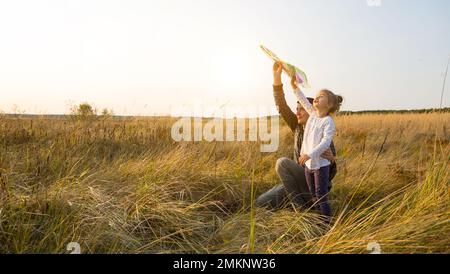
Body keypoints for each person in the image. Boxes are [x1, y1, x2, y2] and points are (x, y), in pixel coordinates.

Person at [255, 62, 338, 210]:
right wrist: (277, 78)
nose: (297, 112)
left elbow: (329, 173)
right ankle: (299, 202)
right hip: (297, 181)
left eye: (302, 109)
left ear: (311, 110)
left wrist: (332, 161)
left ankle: (299, 209)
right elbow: (281, 105)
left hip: (315, 182)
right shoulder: (297, 127)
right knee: (261, 203)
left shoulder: (322, 129)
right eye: (297, 109)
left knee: (282, 163)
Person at [290, 72, 343, 222]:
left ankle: (326, 223)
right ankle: (318, 217)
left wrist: (308, 155)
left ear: (329, 104)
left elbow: (325, 143)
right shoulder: (312, 114)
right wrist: (294, 86)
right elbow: (302, 99)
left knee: (321, 195)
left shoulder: (328, 122)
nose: (316, 98)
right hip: (308, 165)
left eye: (321, 97)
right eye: (316, 96)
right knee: (313, 194)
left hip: (321, 165)